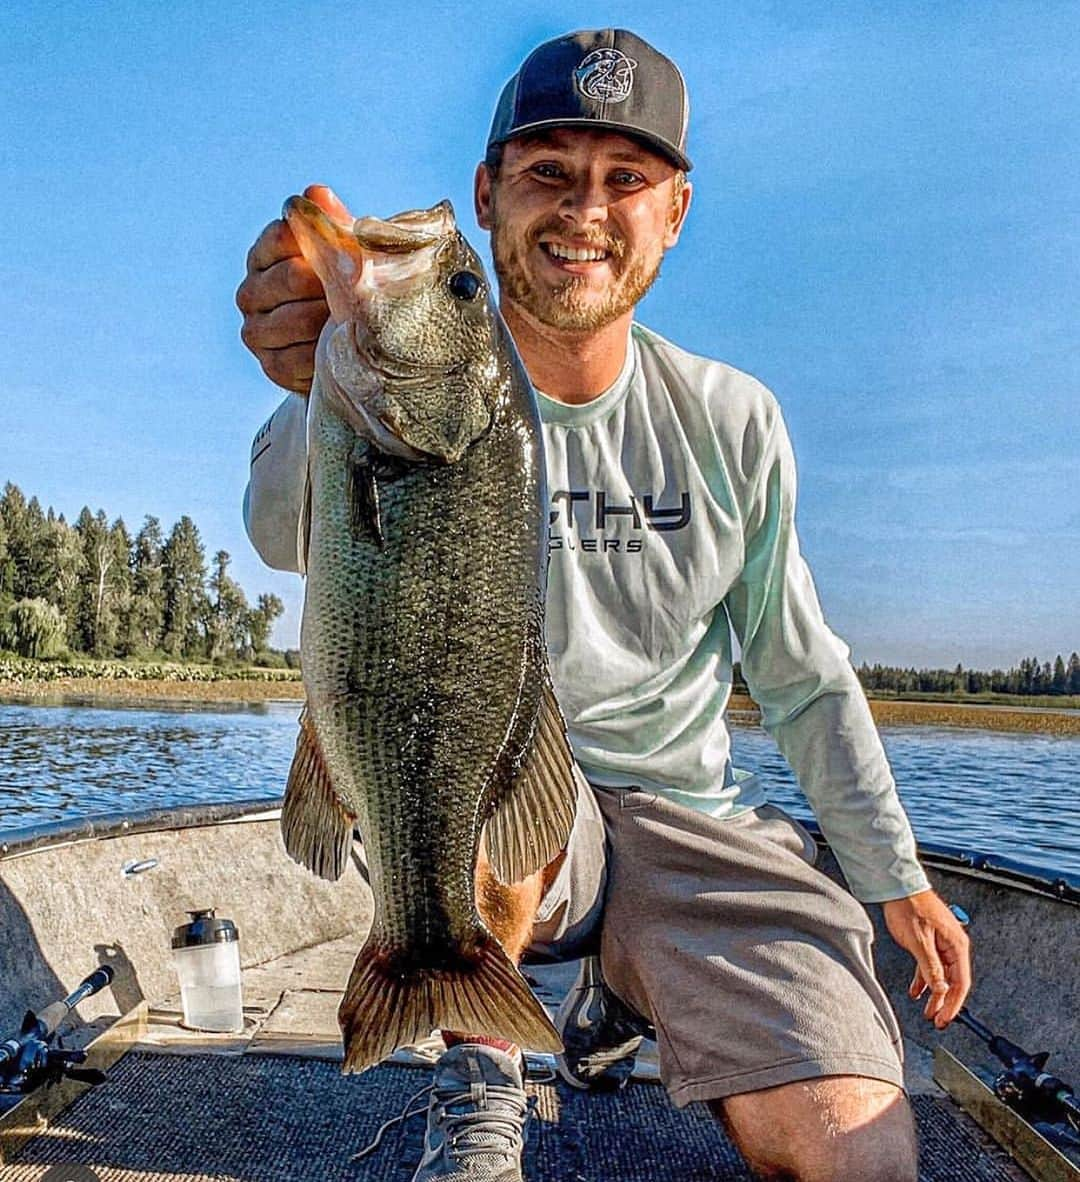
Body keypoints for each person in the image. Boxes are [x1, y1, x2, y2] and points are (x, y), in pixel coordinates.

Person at [236, 29, 972, 1182]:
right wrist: (306, 375)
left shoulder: (734, 418)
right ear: (487, 195)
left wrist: (897, 874)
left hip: (696, 823)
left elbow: (800, 670)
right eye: (547, 171)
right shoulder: (369, 385)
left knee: (857, 1159)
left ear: (674, 211)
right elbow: (284, 535)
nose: (584, 208)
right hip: (515, 807)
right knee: (488, 783)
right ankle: (485, 1060)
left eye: (625, 179)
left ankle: (621, 993)